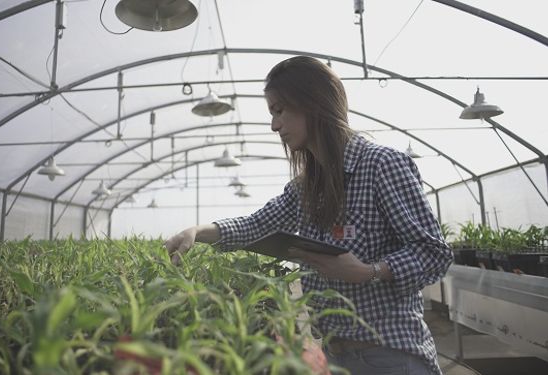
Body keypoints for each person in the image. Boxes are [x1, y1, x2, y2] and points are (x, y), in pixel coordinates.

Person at [164, 56, 453, 375]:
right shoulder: (307, 188)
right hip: (336, 356)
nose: (275, 125)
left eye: (279, 110)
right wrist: (197, 231)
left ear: (313, 103)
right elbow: (255, 226)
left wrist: (368, 271)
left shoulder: (380, 165)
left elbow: (434, 254)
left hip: (392, 356)